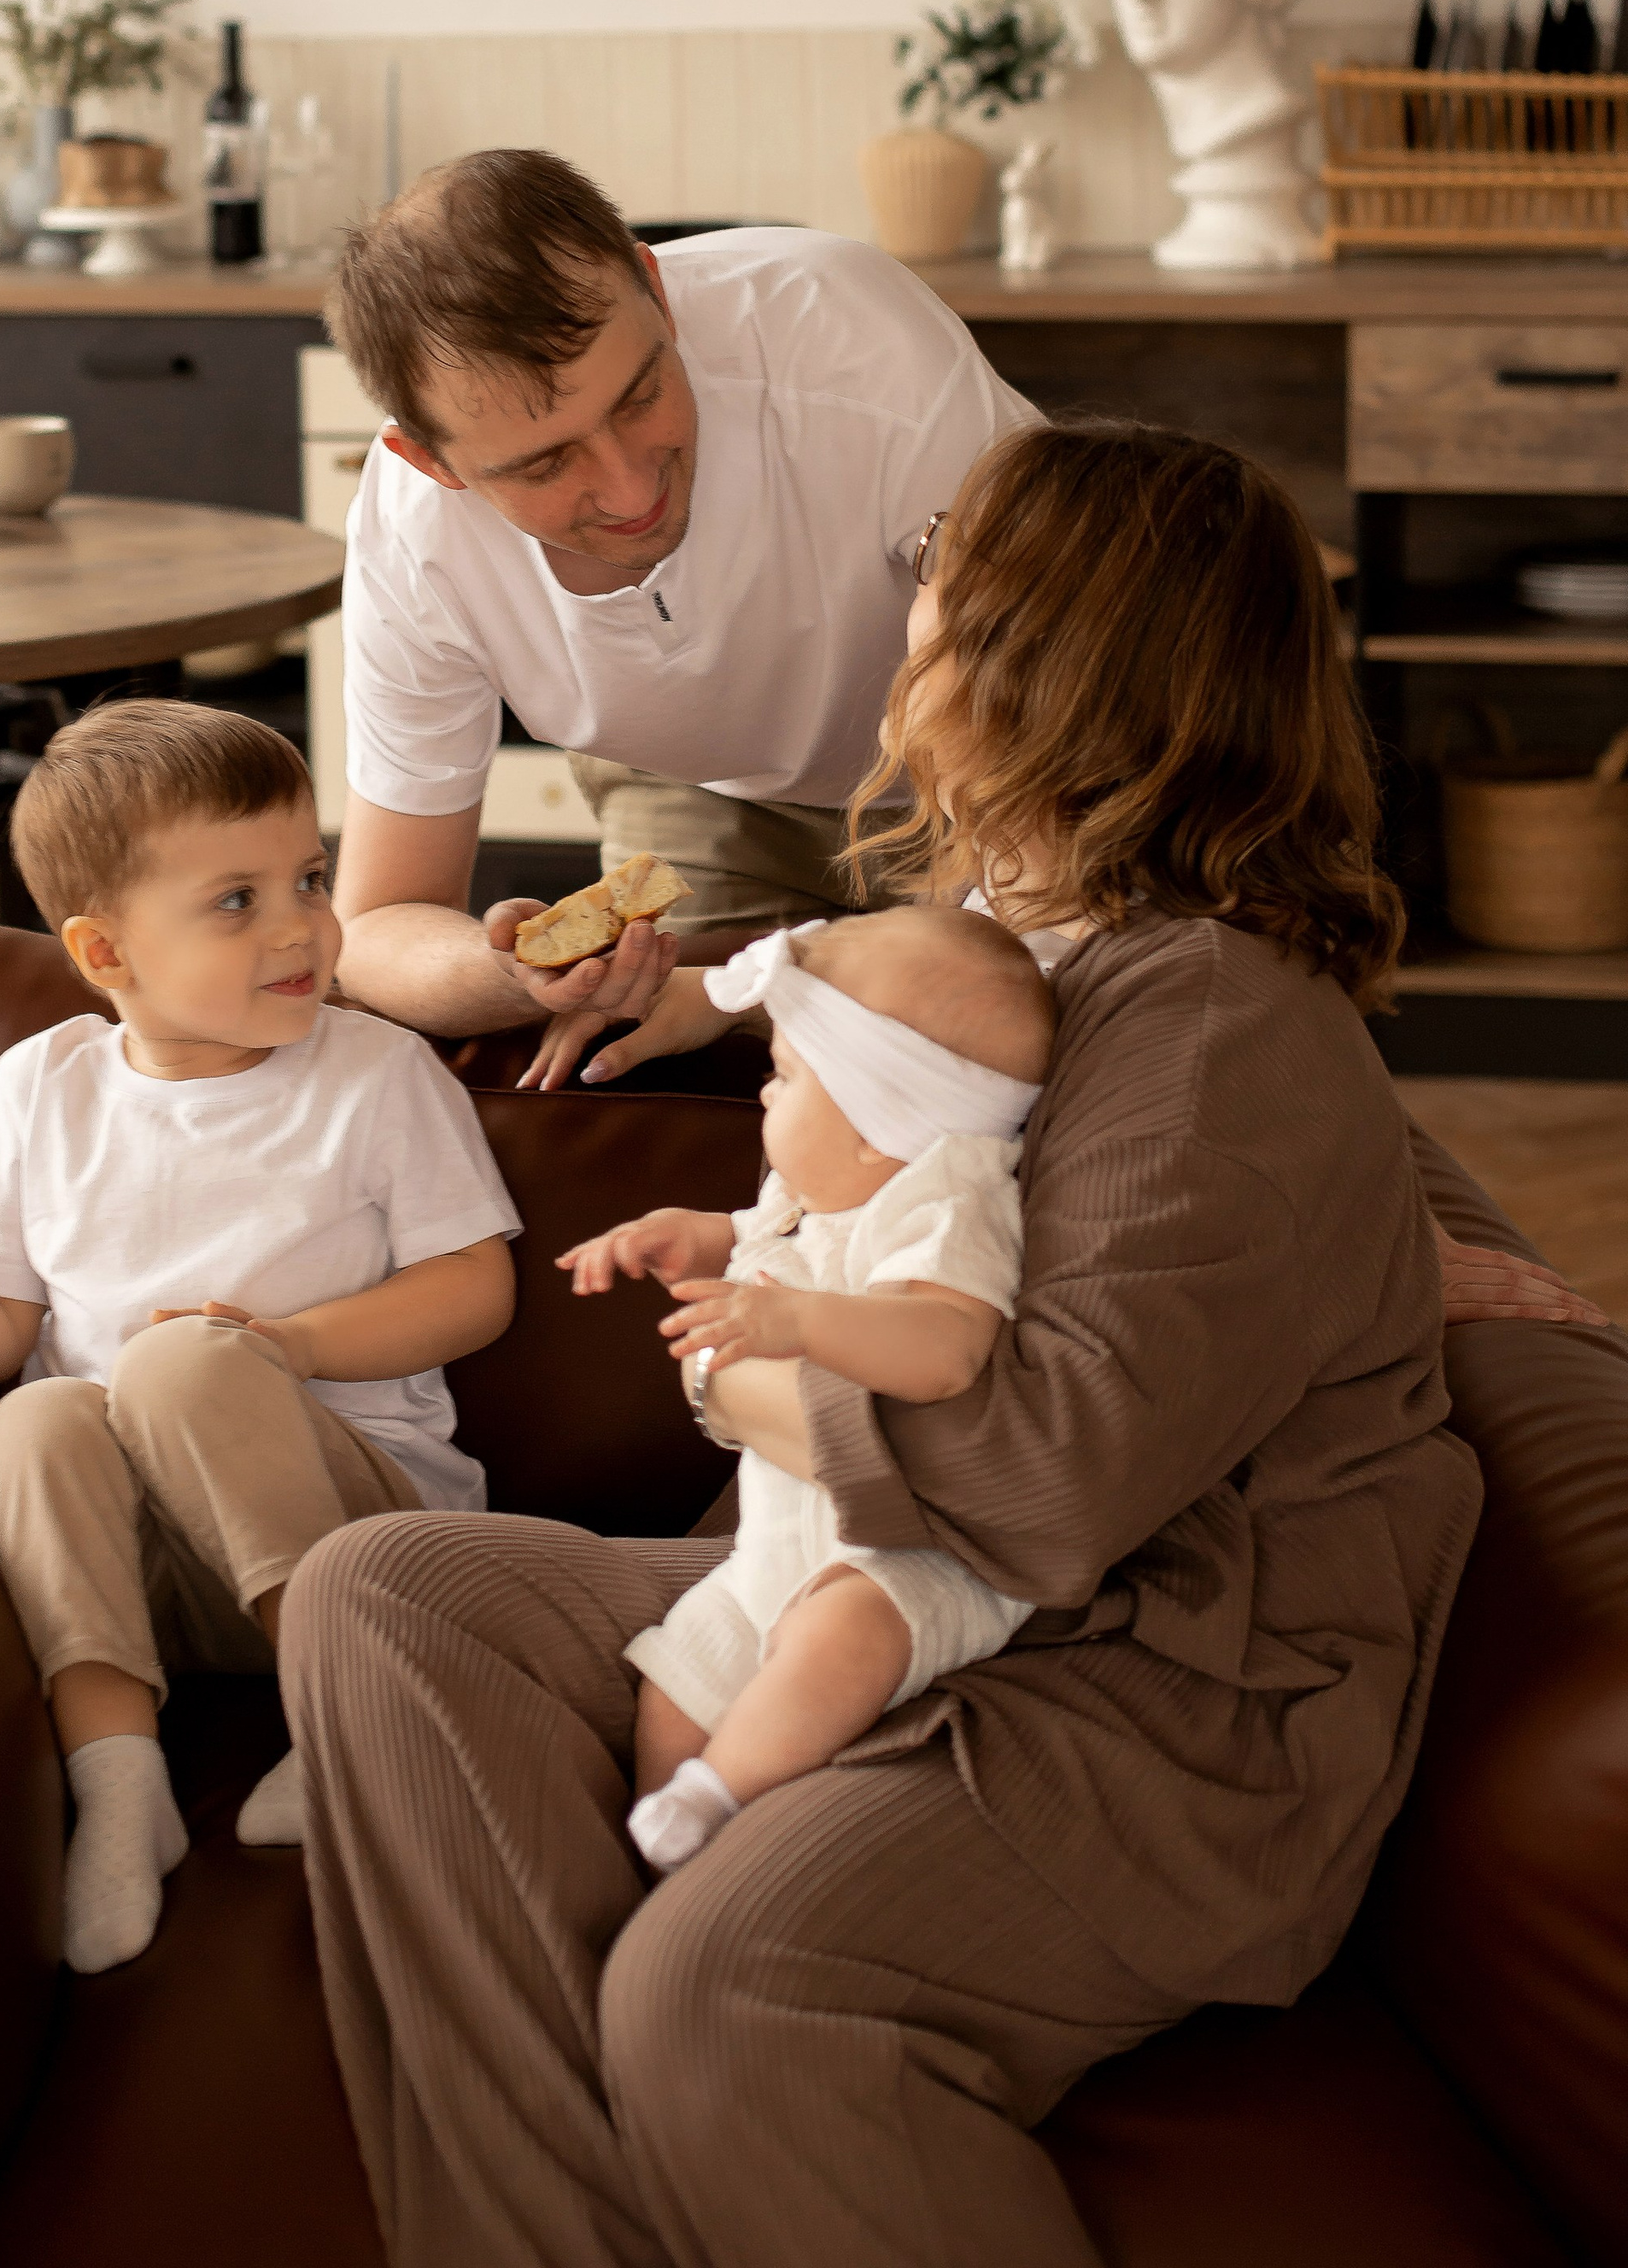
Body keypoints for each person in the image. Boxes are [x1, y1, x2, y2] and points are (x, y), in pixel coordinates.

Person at [279, 420, 1497, 2268]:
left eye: (945, 562)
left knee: (719, 1990)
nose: (910, 594)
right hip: (927, 1595)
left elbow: (1051, 1482)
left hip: (1160, 1696)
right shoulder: (1018, 933)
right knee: (384, 1598)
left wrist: (739, 1373)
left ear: (1046, 650)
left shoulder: (1211, 1021)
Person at [0, 699, 518, 1972]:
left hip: (356, 1545)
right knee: (38, 1417)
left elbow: (474, 1288)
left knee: (181, 1364)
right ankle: (121, 1784)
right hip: (154, 1576)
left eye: (310, 878)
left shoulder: (377, 1073)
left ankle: (349, 1719)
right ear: (104, 950)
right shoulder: (43, 1086)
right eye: (236, 901)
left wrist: (288, 1347)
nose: (299, 926)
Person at [324, 147, 1036, 1077]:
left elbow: (1059, 718)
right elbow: (376, 924)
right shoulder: (413, 541)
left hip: (988, 760)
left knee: (978, 1059)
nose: (630, 490)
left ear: (656, 292)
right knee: (647, 1069)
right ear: (432, 463)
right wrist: (519, 976)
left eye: (641, 396)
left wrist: (823, 980)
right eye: (545, 464)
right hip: (698, 785)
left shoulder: (855, 340)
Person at [557, 907, 1054, 1877]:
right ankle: (666, 1854)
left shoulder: (949, 1201)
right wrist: (693, 1235)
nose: (763, 1090)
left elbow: (948, 1347)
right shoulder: (822, 1195)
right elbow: (771, 1239)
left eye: (784, 1075)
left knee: (841, 1635)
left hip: (913, 1563)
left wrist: (799, 1324)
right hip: (773, 1555)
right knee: (677, 1679)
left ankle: (721, 1794)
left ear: (876, 1123)